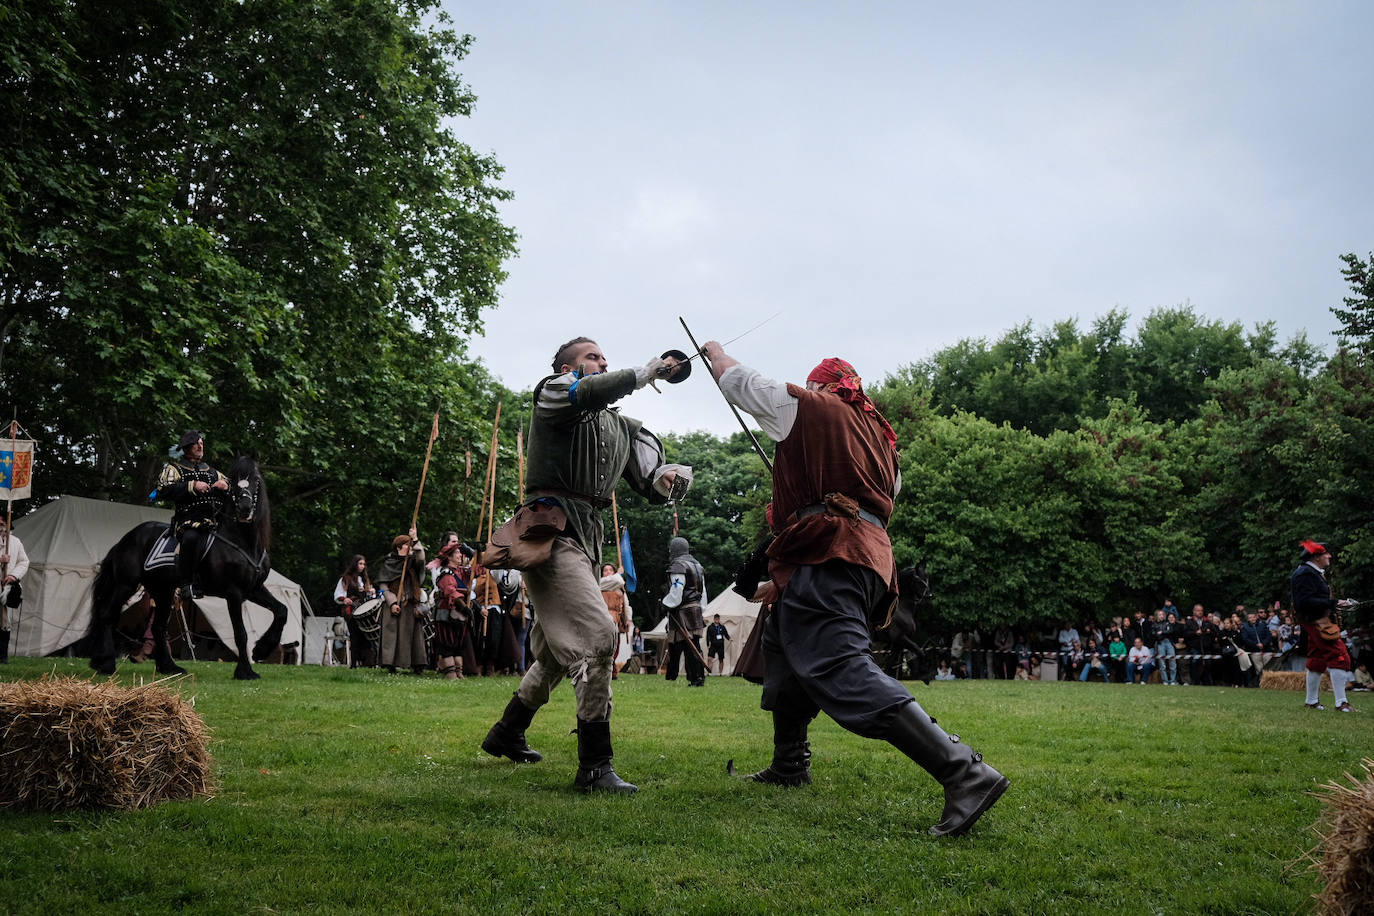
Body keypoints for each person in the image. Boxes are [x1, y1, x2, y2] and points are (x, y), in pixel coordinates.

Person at [703, 342, 1007, 837]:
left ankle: (963, 771)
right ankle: (789, 763)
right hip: (856, 553)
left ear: (823, 385)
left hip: (833, 550)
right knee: (780, 640)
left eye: (814, 382)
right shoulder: (883, 441)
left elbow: (741, 383)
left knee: (839, 664)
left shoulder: (811, 406)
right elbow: (886, 494)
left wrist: (713, 351)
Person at [479, 336, 691, 794]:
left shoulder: (622, 427)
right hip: (549, 532)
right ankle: (595, 767)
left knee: (556, 653)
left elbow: (649, 484)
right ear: (565, 366)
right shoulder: (554, 392)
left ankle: (507, 733)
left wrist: (667, 481)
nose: (602, 361)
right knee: (597, 639)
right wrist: (647, 372)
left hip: (587, 536)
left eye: (603, 357)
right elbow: (590, 391)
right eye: (592, 356)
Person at [156, 430, 230, 601]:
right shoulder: (174, 468)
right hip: (189, 521)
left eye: (202, 443)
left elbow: (232, 488)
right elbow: (163, 490)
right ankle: (186, 584)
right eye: (196, 443)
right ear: (187, 447)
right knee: (191, 538)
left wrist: (225, 485)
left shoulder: (213, 471)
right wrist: (192, 485)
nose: (200, 446)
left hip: (215, 522)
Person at [1290, 540, 1357, 712]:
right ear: (1316, 557)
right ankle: (1341, 703)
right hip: (1317, 622)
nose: (1329, 556)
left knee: (1317, 659)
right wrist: (1335, 603)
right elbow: (1303, 602)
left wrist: (1335, 604)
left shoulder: (1310, 572)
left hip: (1316, 621)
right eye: (1326, 553)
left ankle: (1312, 701)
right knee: (1340, 656)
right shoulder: (1306, 573)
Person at [375, 528, 428, 674]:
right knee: (392, 636)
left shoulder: (413, 562)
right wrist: (392, 603)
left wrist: (415, 539)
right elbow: (383, 586)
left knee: (415, 637)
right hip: (395, 605)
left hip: (411, 604)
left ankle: (417, 665)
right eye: (407, 545)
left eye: (412, 545)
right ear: (399, 547)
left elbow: (421, 558)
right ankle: (390, 665)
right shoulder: (389, 563)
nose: (410, 547)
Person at [662, 536, 707, 687]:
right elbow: (703, 590)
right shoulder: (697, 565)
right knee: (688, 643)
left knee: (689, 645)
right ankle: (681, 676)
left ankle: (696, 678)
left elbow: (677, 588)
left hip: (682, 609)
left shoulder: (678, 565)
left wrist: (667, 603)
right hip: (695, 608)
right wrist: (701, 608)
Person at [431, 540, 473, 679]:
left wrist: (473, 553)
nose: (460, 555)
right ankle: (450, 674)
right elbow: (451, 592)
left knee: (458, 644)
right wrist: (464, 607)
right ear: (449, 557)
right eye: (457, 553)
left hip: (459, 614)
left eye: (461, 553)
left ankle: (459, 672)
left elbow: (479, 570)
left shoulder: (462, 572)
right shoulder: (445, 573)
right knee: (447, 644)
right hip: (446, 613)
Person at [333, 554, 378, 668]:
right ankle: (353, 664)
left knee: (366, 637)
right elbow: (338, 595)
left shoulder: (365, 579)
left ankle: (368, 663)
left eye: (363, 564)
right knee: (355, 637)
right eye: (360, 563)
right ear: (355, 564)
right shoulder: (346, 578)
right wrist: (345, 599)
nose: (362, 566)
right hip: (352, 611)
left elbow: (369, 596)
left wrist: (371, 591)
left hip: (365, 611)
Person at [0, 515, 29, 663]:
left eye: (2, 523)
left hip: (6, 587)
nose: (0, 526)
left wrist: (12, 576)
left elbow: (24, 562)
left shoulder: (15, 542)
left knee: (5, 622)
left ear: (7, 524)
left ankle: (2, 657)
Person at [598, 563, 632, 677]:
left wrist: (628, 619)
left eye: (610, 570)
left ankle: (612, 670)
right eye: (605, 570)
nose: (608, 572)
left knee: (615, 645)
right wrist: (619, 574)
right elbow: (616, 580)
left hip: (615, 618)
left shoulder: (619, 588)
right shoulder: (599, 583)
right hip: (601, 617)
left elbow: (626, 604)